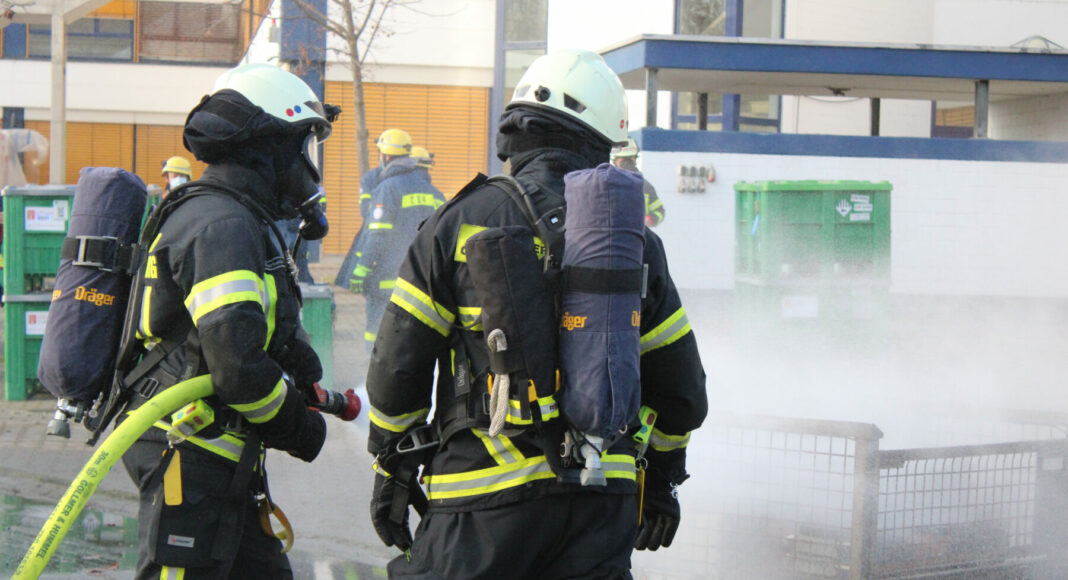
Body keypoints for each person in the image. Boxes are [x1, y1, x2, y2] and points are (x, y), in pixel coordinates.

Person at [364, 48, 707, 578]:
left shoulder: (457, 221)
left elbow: (396, 369)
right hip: (601, 502)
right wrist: (659, 476)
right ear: (599, 139)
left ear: (516, 132)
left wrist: (392, 465)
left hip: (479, 500)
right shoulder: (633, 241)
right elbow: (682, 391)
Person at [119, 63, 337, 579]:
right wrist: (299, 426)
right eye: (301, 145)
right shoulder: (223, 224)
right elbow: (236, 365)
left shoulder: (232, 216)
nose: (306, 166)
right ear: (270, 145)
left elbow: (241, 328)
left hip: (217, 454)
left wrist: (294, 359)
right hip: (189, 448)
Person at [348, 129, 445, 348]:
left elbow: (376, 237)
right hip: (424, 282)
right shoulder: (437, 195)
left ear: (386, 157)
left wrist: (360, 272)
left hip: (387, 280)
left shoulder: (387, 188)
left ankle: (369, 374)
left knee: (377, 332)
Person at [611, 138, 665, 227]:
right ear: (615, 161)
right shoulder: (607, 184)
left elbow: (660, 211)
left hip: (638, 235)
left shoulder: (646, 187)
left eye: (629, 159)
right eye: (623, 160)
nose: (626, 164)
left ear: (635, 160)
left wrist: (650, 219)